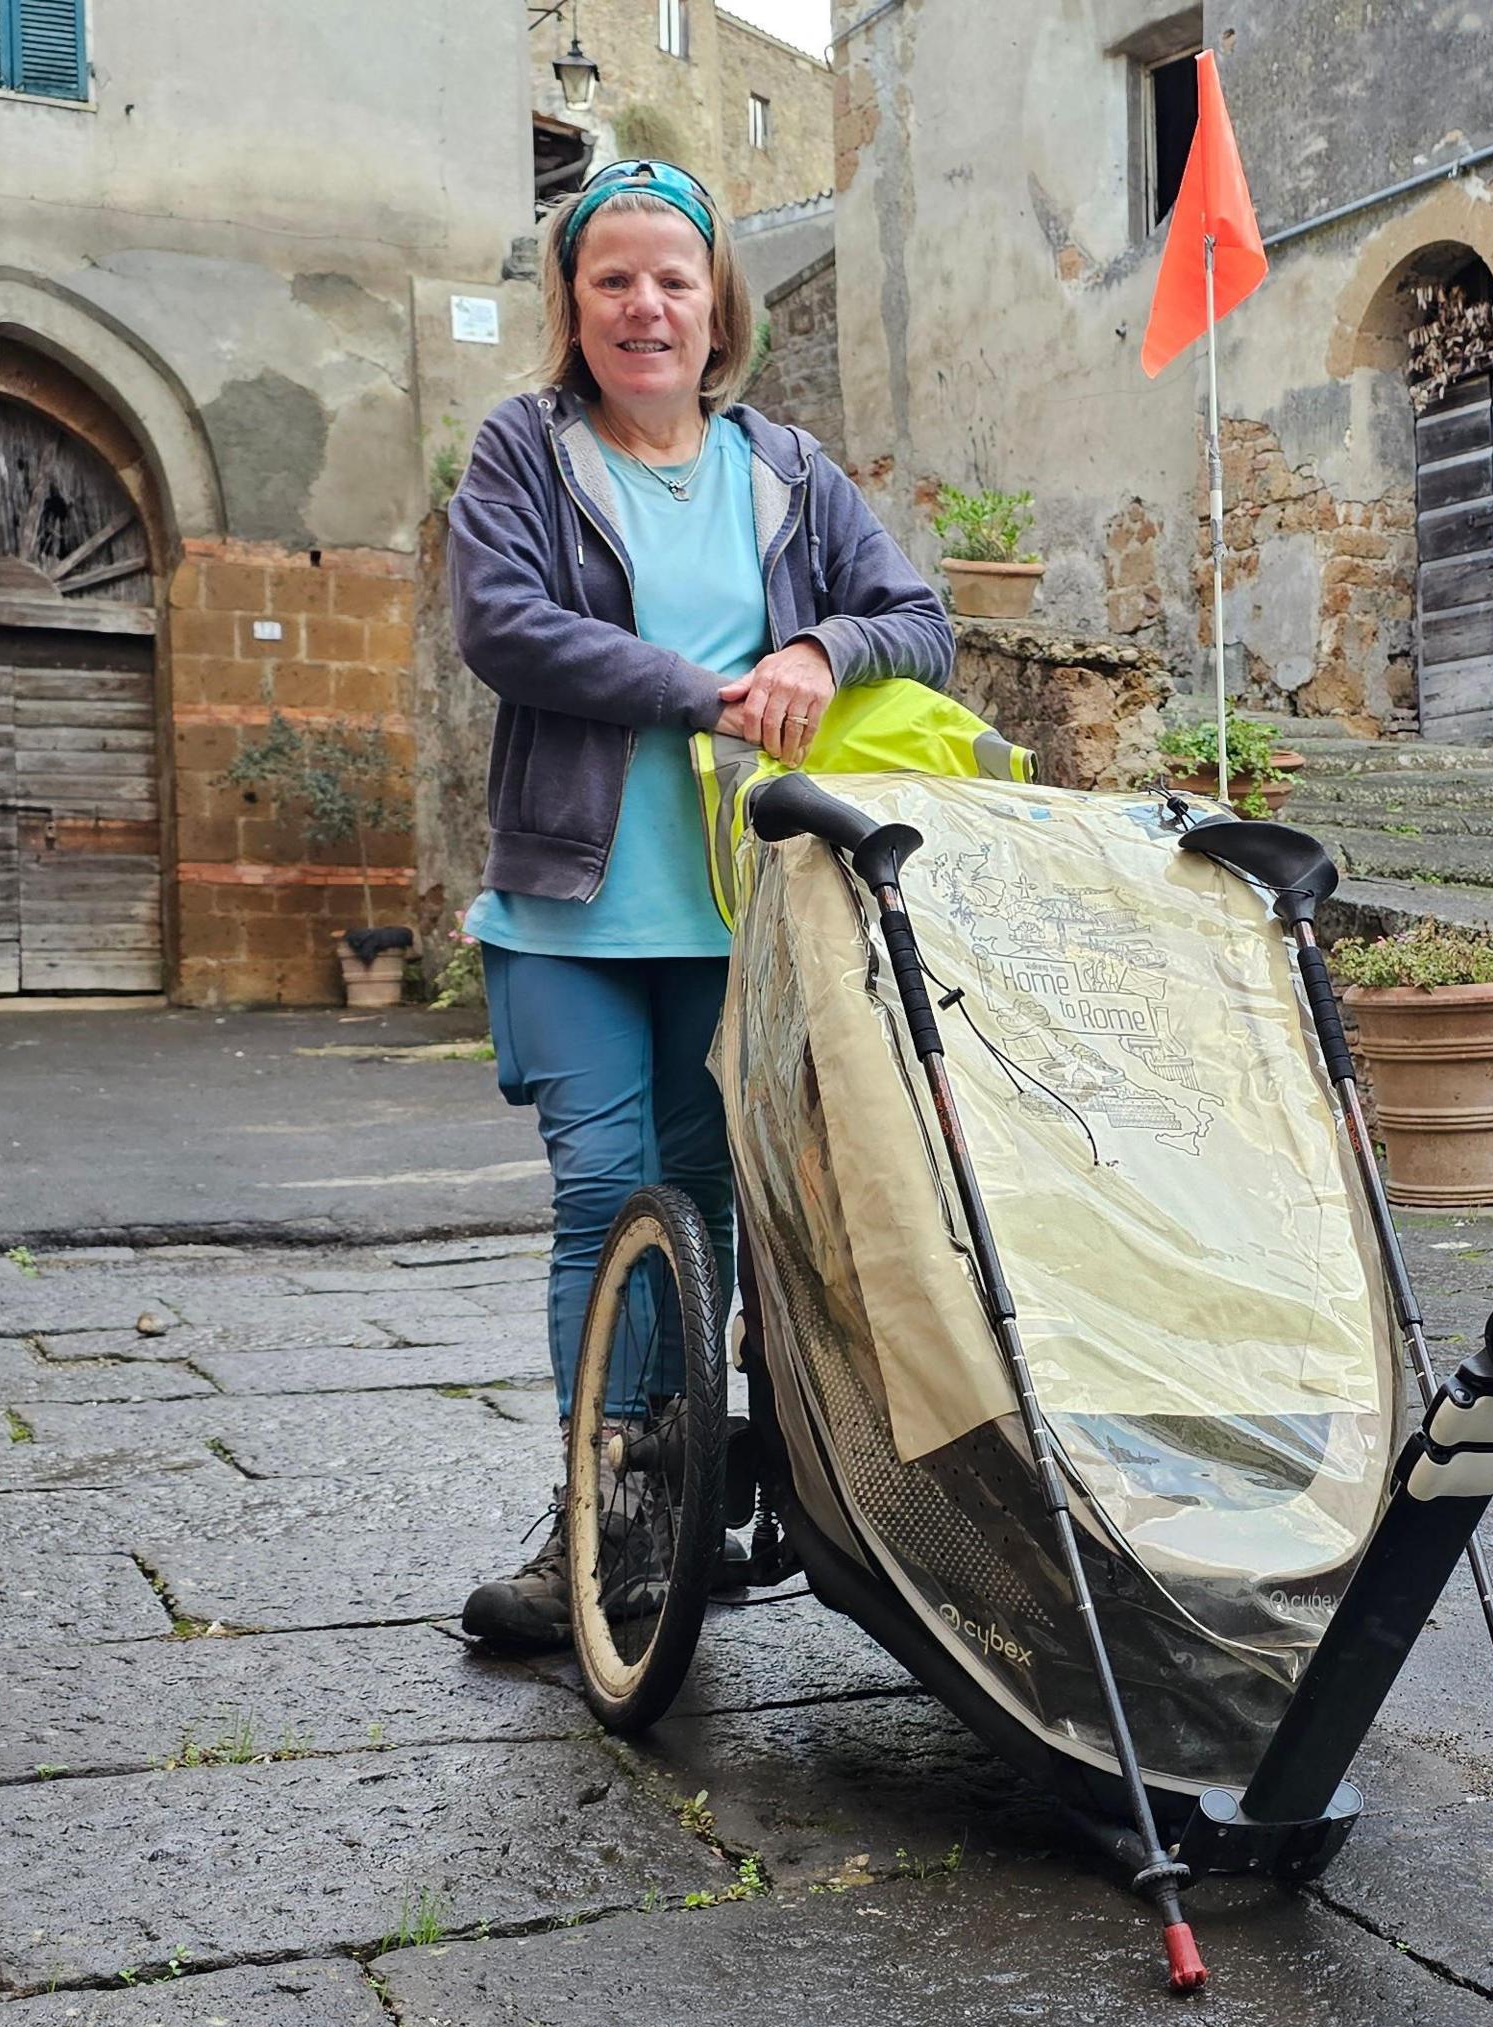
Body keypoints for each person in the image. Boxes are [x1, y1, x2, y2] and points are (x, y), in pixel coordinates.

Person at [444, 157, 951, 1651]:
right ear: (575, 305)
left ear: (717, 301)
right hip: (576, 904)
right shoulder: (525, 451)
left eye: (674, 278)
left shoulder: (788, 467)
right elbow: (505, 626)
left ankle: (692, 1501)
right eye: (614, 279)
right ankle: (595, 1521)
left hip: (750, 909)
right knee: (605, 1194)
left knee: (715, 1202)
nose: (645, 305)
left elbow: (916, 619)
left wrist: (821, 652)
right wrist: (705, 693)